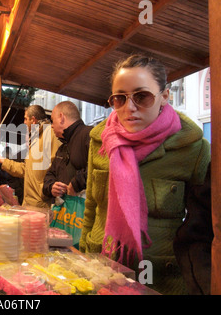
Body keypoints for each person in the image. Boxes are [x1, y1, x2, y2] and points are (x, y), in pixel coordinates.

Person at [79, 54, 212, 295]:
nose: (129, 108)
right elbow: (91, 207)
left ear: (164, 97)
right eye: (119, 98)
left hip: (163, 282)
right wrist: (85, 256)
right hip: (102, 275)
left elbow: (203, 230)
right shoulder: (100, 141)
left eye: (142, 96)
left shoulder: (193, 149)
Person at [0, 105, 62, 210]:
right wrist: (3, 160)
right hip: (30, 201)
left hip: (41, 201)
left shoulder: (50, 135)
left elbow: (57, 166)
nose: (24, 123)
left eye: (25, 119)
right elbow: (26, 169)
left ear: (33, 120)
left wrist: (47, 191)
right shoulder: (36, 137)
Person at [42, 101, 92, 200]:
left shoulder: (89, 135)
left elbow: (98, 169)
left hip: (83, 211)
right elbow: (49, 175)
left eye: (52, 120)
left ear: (61, 117)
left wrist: (76, 184)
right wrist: (52, 186)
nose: (51, 126)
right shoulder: (63, 146)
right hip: (66, 212)